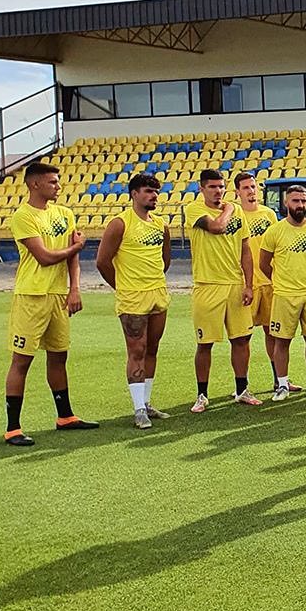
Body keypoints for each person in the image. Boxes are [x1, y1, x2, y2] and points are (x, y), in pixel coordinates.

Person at [3, 162, 97, 447]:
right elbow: (44, 257)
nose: (58, 186)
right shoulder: (23, 216)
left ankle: (65, 416)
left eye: (58, 181)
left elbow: (72, 259)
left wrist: (74, 289)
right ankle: (13, 428)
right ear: (34, 184)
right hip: (31, 295)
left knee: (59, 355)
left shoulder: (64, 214)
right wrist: (76, 247)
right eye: (53, 182)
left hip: (58, 295)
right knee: (22, 360)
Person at [95, 172, 172, 429]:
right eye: (148, 191)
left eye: (156, 192)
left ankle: (147, 401)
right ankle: (138, 408)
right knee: (136, 350)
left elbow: (165, 260)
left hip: (157, 293)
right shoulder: (120, 223)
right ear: (134, 194)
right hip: (132, 298)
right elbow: (102, 262)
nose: (154, 196)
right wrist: (123, 287)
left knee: (152, 348)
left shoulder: (161, 225)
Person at [185, 168, 259, 413]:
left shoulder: (237, 211)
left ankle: (241, 389)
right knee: (205, 343)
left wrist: (249, 284)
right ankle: (202, 395)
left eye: (221, 187)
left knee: (241, 339)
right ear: (202, 188)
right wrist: (228, 209)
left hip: (235, 285)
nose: (218, 192)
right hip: (208, 286)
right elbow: (217, 227)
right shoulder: (195, 210)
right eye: (213, 187)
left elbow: (245, 249)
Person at [259, 185, 306, 401]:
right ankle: (282, 385)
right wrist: (282, 280)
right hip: (284, 295)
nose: (300, 205)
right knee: (282, 341)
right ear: (286, 203)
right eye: (295, 201)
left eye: (303, 201)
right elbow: (264, 264)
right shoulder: (274, 232)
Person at [235, 171, 281, 387]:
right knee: (243, 336)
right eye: (246, 188)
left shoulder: (269, 214)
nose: (251, 191)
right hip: (247, 284)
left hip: (270, 282)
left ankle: (278, 379)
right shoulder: (235, 216)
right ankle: (242, 385)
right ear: (237, 192)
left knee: (273, 332)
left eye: (253, 187)